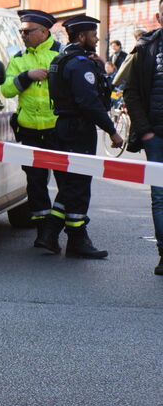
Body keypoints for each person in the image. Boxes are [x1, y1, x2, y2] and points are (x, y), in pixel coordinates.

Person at [44, 15, 123, 259]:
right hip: (78, 130)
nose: (97, 39)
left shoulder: (61, 59)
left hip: (64, 127)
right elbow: (89, 102)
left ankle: (49, 233)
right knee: (78, 186)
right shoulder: (80, 64)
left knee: (69, 185)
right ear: (81, 36)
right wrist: (112, 131)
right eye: (93, 34)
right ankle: (77, 240)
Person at [1, 10, 62, 250]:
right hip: (29, 132)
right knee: (35, 184)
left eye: (27, 31)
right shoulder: (18, 59)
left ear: (44, 32)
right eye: (21, 32)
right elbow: (6, 90)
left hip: (57, 130)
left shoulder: (61, 55)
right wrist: (27, 76)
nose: (23, 35)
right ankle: (43, 232)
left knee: (67, 182)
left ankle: (58, 229)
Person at [120, 0, 163, 275]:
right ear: (159, 17)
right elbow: (130, 91)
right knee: (160, 196)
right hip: (155, 135)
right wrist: (145, 130)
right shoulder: (145, 47)